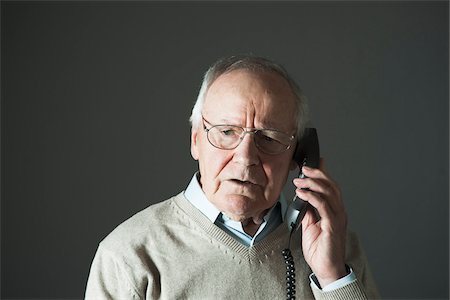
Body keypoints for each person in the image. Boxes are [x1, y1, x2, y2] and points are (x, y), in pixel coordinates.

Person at [85, 55, 379, 299]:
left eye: (269, 138)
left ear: (298, 156)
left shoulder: (337, 247)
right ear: (196, 140)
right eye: (226, 132)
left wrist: (333, 278)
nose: (246, 157)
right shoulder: (129, 255)